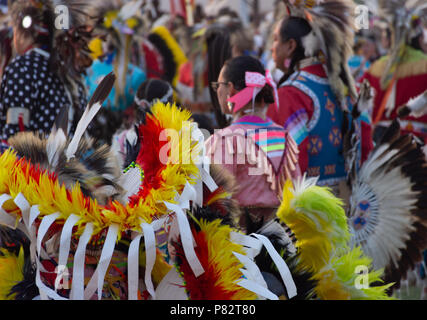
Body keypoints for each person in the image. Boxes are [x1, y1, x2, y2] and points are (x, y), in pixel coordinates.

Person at [266, 3, 373, 191]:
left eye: (275, 40)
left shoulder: (290, 94)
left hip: (310, 211)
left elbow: (290, 165)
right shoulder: (350, 90)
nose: (271, 48)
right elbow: (366, 149)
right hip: (351, 206)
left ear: (291, 46)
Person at [205, 55, 300, 230]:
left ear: (230, 90)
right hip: (283, 240)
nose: (216, 90)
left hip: (243, 243)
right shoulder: (285, 137)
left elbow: (216, 201)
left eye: (218, 85)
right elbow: (297, 193)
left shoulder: (225, 140)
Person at [0, 0, 89, 143]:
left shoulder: (23, 68)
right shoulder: (71, 71)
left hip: (32, 163)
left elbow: (14, 138)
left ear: (23, 32)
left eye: (14, 30)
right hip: (69, 163)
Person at [361, 1, 427, 143]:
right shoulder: (424, 65)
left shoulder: (377, 66)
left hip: (381, 145)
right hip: (417, 145)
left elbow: (360, 102)